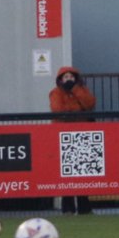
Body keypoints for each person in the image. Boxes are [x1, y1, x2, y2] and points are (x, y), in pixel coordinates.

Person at [48, 66, 96, 214]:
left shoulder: (82, 90)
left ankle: (84, 205)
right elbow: (57, 110)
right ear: (60, 80)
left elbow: (90, 104)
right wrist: (76, 111)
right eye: (66, 77)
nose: (69, 79)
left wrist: (75, 90)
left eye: (71, 77)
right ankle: (67, 206)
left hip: (81, 134)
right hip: (63, 136)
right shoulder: (55, 93)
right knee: (66, 172)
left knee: (82, 170)